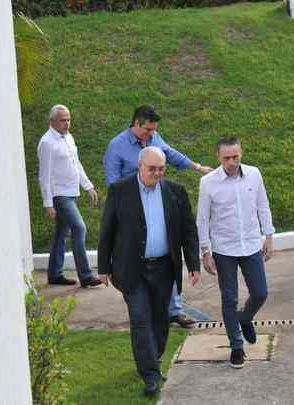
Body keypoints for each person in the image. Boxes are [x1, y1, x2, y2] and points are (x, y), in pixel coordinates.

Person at [97, 147, 201, 397]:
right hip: (132, 269)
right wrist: (103, 268)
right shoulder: (120, 191)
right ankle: (151, 375)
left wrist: (193, 264)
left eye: (161, 169)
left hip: (164, 268)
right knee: (141, 320)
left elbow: (188, 230)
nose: (157, 173)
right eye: (152, 168)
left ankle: (151, 359)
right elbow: (107, 230)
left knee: (160, 321)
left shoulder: (175, 191)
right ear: (140, 166)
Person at [103, 105, 211, 328]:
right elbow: (113, 183)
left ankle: (173, 311)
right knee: (137, 266)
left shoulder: (154, 137)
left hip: (157, 205)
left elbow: (171, 155)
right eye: (147, 130)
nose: (151, 134)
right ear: (136, 124)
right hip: (132, 214)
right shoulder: (116, 147)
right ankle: (142, 310)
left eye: (154, 130)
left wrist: (198, 167)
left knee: (166, 252)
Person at [197, 137, 275, 369]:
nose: (232, 162)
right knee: (229, 298)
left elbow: (263, 205)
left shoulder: (254, 174)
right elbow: (202, 219)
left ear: (241, 154)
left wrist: (268, 236)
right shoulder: (208, 182)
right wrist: (205, 251)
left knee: (260, 293)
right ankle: (236, 346)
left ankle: (244, 318)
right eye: (227, 158)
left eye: (236, 157)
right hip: (223, 249)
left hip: (251, 244)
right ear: (218, 158)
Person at [37, 104, 102, 287]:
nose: (67, 123)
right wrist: (48, 203)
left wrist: (88, 186)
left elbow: (76, 164)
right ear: (52, 121)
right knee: (79, 227)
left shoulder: (68, 137)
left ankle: (54, 274)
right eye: (63, 120)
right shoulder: (47, 143)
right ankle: (86, 275)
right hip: (60, 195)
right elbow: (44, 175)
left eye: (68, 119)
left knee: (61, 234)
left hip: (71, 192)